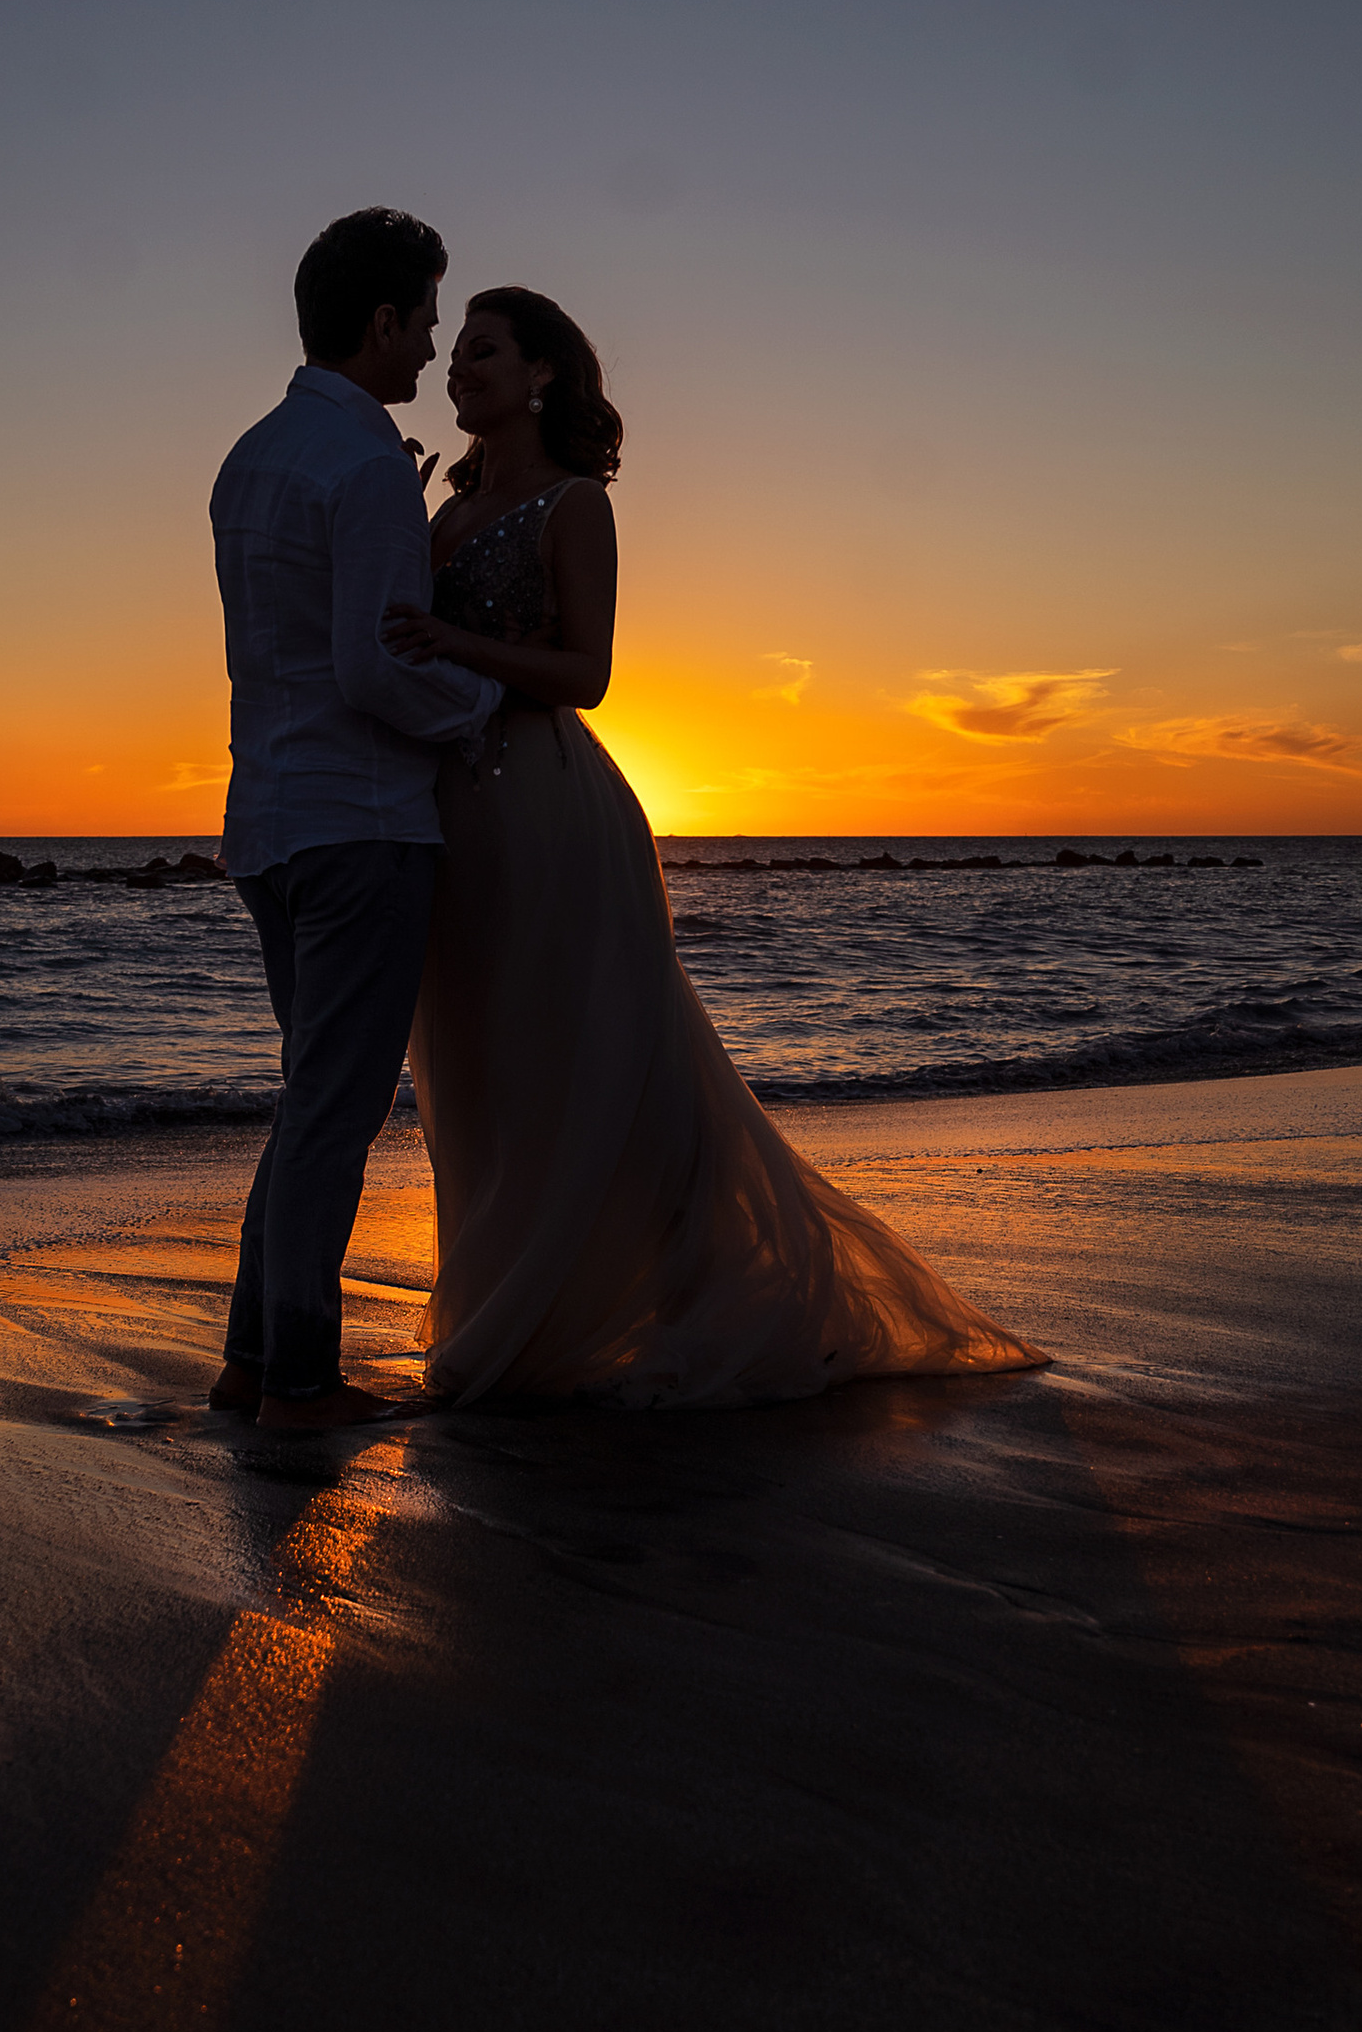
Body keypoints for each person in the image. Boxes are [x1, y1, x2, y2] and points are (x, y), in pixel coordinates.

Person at [382, 286, 1045, 1403]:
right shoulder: (444, 514)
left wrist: (451, 637)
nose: (458, 368)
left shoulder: (573, 505)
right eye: (453, 352)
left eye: (483, 350)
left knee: (569, 1065)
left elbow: (586, 673)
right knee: (476, 1073)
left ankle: (603, 1311)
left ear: (542, 374)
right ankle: (503, 1312)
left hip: (545, 806)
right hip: (450, 816)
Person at [209, 208, 507, 1433]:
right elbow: (374, 667)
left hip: (266, 822)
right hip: (363, 824)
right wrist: (484, 708)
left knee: (309, 1100)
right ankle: (298, 1379)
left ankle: (252, 1360)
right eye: (425, 320)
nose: (432, 346)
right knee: (334, 1111)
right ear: (381, 322)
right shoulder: (366, 463)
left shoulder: (250, 458)